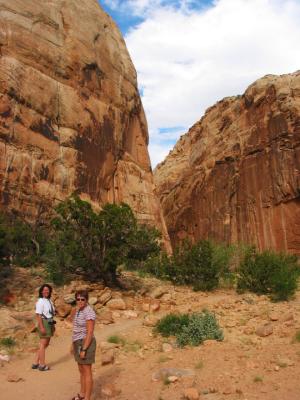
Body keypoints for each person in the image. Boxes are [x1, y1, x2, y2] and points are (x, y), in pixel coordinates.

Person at [71, 290, 96, 400]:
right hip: (78, 342)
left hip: (86, 343)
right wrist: (72, 344)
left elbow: (90, 332)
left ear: (86, 300)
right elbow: (76, 329)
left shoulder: (88, 312)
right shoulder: (78, 310)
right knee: (81, 370)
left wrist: (84, 349)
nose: (80, 301)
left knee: (87, 371)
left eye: (82, 299)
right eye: (78, 299)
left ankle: (87, 398)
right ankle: (82, 394)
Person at [32, 283, 56, 371]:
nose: (46, 291)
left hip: (49, 322)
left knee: (45, 344)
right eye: (44, 290)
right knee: (43, 344)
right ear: (41, 291)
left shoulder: (49, 301)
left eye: (48, 290)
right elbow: (38, 315)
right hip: (44, 323)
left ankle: (35, 362)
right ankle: (42, 365)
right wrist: (41, 327)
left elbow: (51, 313)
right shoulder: (40, 301)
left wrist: (53, 325)